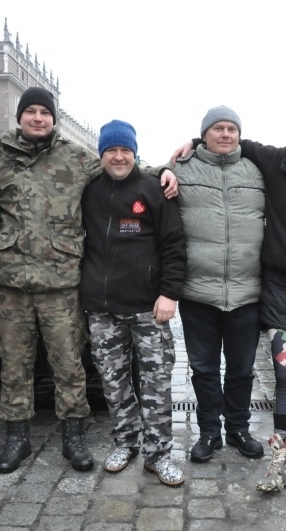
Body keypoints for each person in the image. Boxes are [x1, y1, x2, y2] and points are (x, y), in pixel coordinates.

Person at [0, 88, 177, 474]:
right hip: (13, 284)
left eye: (44, 112)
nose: (37, 118)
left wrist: (164, 171)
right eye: (30, 111)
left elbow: (121, 165)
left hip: (61, 284)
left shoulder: (75, 157)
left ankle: (73, 437)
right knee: (14, 366)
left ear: (53, 119)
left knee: (69, 365)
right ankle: (17, 438)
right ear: (20, 117)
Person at [176, 106, 286, 490]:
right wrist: (192, 142)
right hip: (281, 295)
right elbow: (228, 142)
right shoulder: (277, 163)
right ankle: (282, 456)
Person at [80, 120, 187, 486]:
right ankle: (126, 443)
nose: (119, 156)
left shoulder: (154, 189)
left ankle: (159, 455)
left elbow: (174, 245)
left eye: (125, 150)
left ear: (134, 153)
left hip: (148, 307)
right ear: (102, 154)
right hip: (103, 309)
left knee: (157, 385)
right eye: (111, 150)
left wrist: (169, 293)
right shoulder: (89, 190)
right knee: (114, 382)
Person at [170, 106, 266, 465]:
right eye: (217, 128)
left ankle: (238, 429)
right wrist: (167, 167)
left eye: (231, 129)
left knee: (241, 370)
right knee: (204, 370)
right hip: (198, 293)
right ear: (204, 134)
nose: (225, 134)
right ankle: (208, 431)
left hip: (246, 292)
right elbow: (147, 176)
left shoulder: (256, 170)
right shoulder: (182, 169)